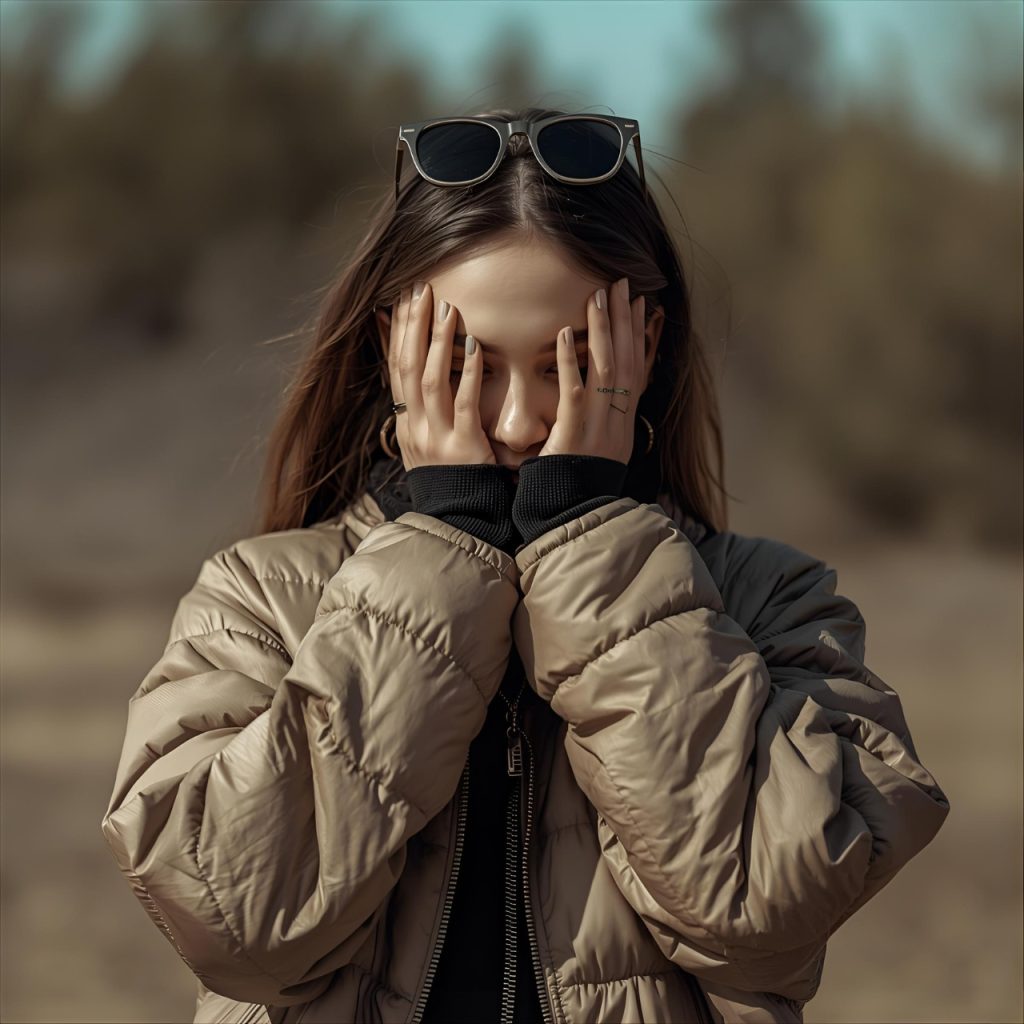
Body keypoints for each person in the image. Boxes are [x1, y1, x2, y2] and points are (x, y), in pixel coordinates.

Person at [100, 106, 950, 1024]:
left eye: (566, 364)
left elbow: (763, 911)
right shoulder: (257, 599)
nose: (514, 422)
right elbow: (236, 922)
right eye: (468, 361)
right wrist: (439, 556)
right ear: (394, 345)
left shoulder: (770, 601)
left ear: (647, 345)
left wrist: (594, 545)